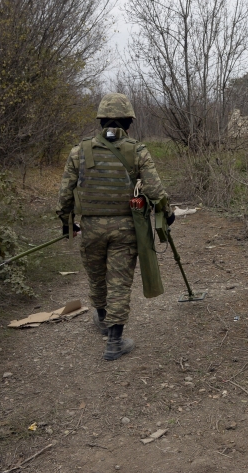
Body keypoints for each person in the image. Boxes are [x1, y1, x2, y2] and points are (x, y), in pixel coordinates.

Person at [56, 93, 173, 361]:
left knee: (97, 277)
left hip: (91, 228)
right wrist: (167, 213)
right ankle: (114, 342)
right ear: (128, 122)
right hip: (125, 229)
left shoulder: (79, 151)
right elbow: (155, 190)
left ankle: (101, 318)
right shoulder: (137, 150)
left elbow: (64, 194)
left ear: (100, 121)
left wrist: (67, 223)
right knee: (119, 283)